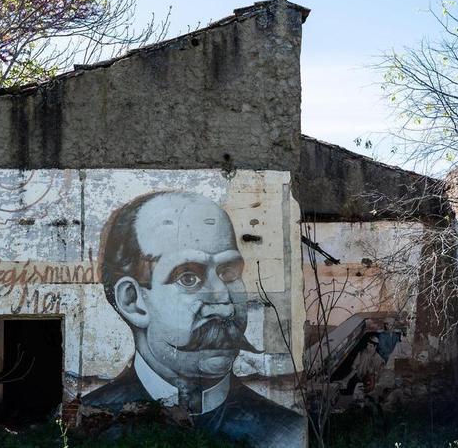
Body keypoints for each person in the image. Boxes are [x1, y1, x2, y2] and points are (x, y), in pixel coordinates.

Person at [83, 191, 306, 447]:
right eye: (188, 278)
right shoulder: (91, 428)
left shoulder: (285, 432)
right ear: (133, 301)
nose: (226, 306)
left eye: (228, 272)